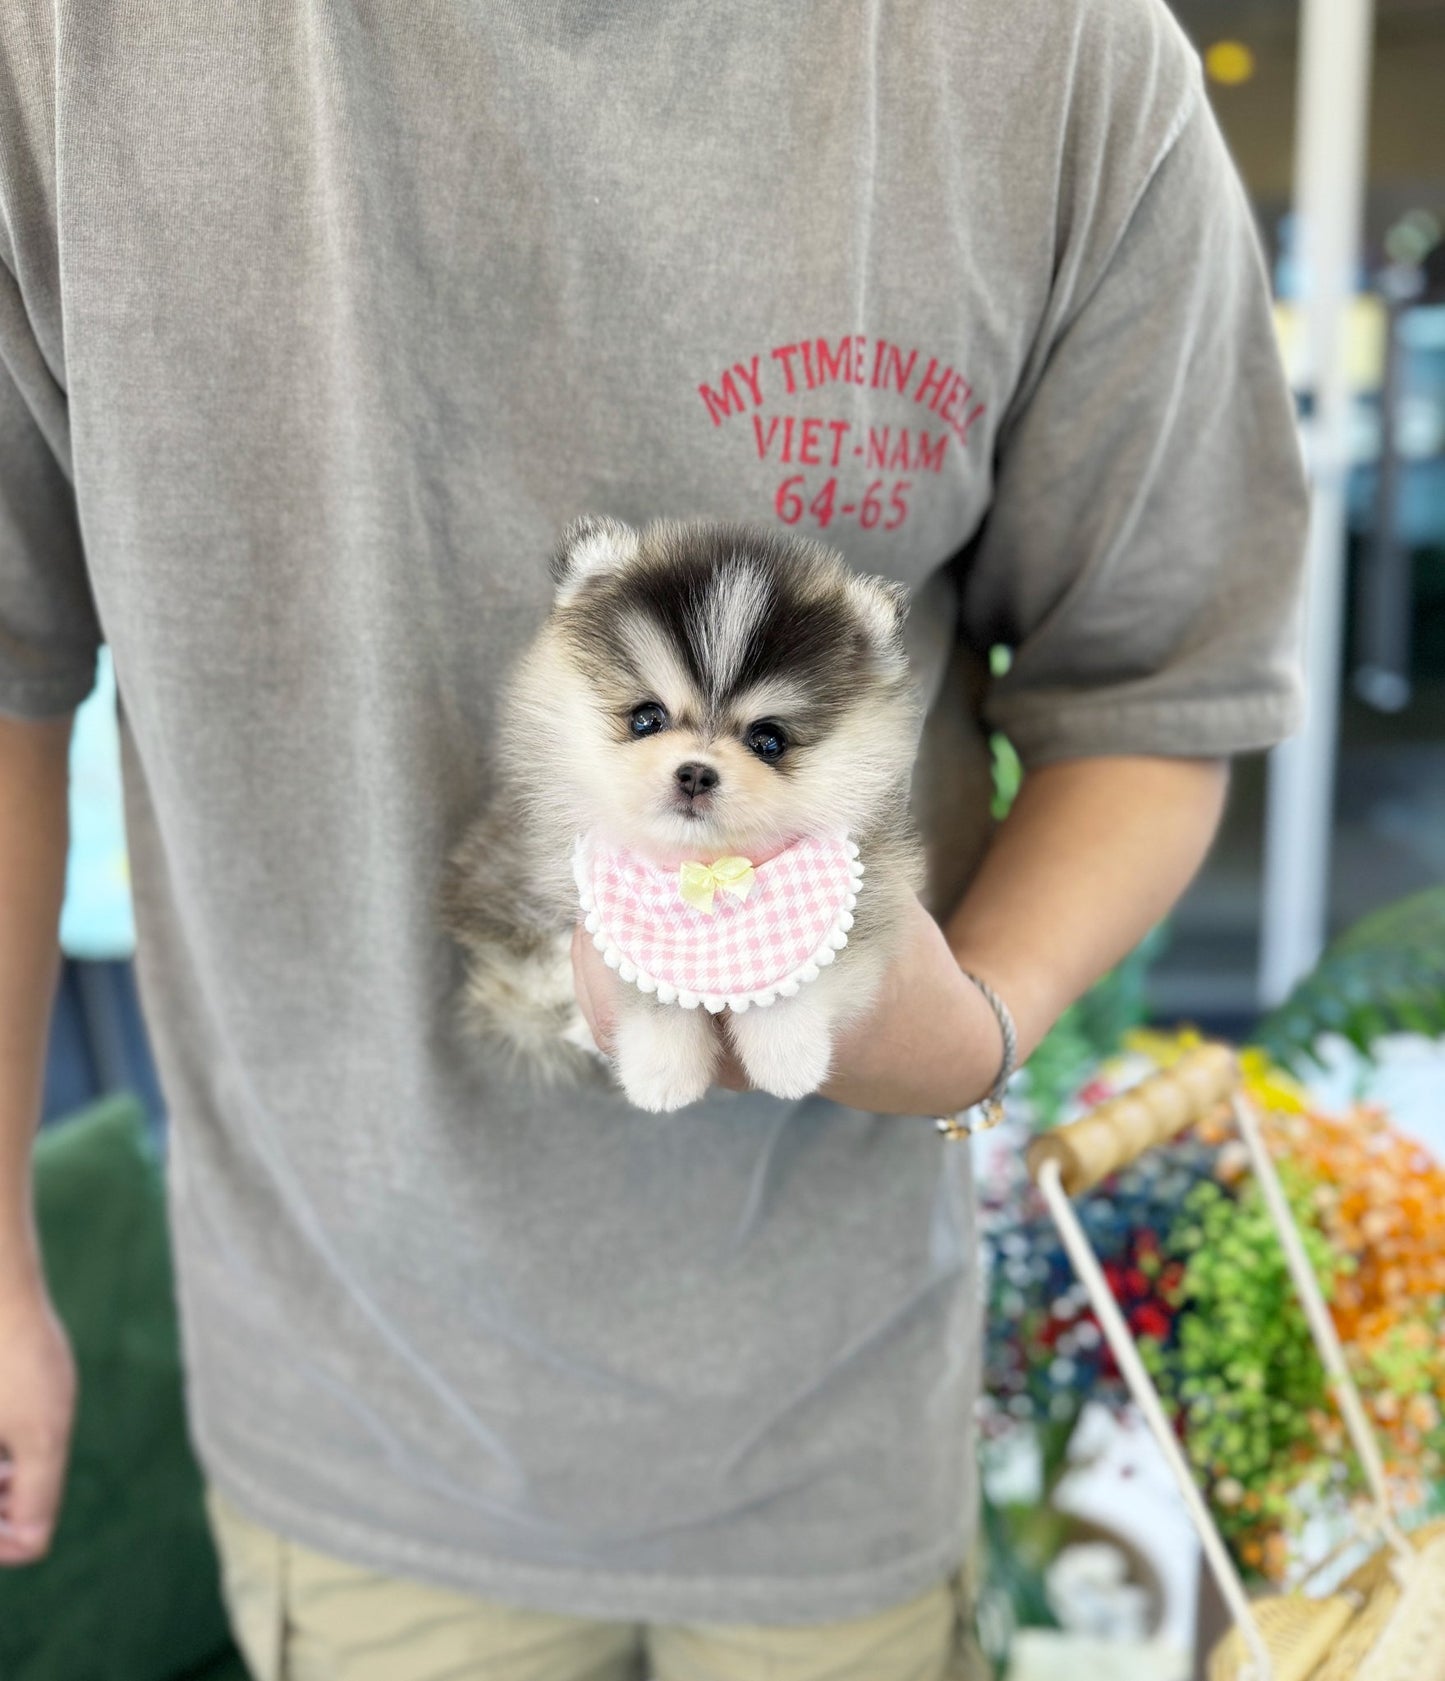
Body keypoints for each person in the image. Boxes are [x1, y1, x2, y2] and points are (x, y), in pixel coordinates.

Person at [0, 1, 1307, 1676]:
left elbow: (1152, 689)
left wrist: (969, 1023)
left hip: (835, 1432)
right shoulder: (60, 50)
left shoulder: (1049, 58)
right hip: (357, 1418)